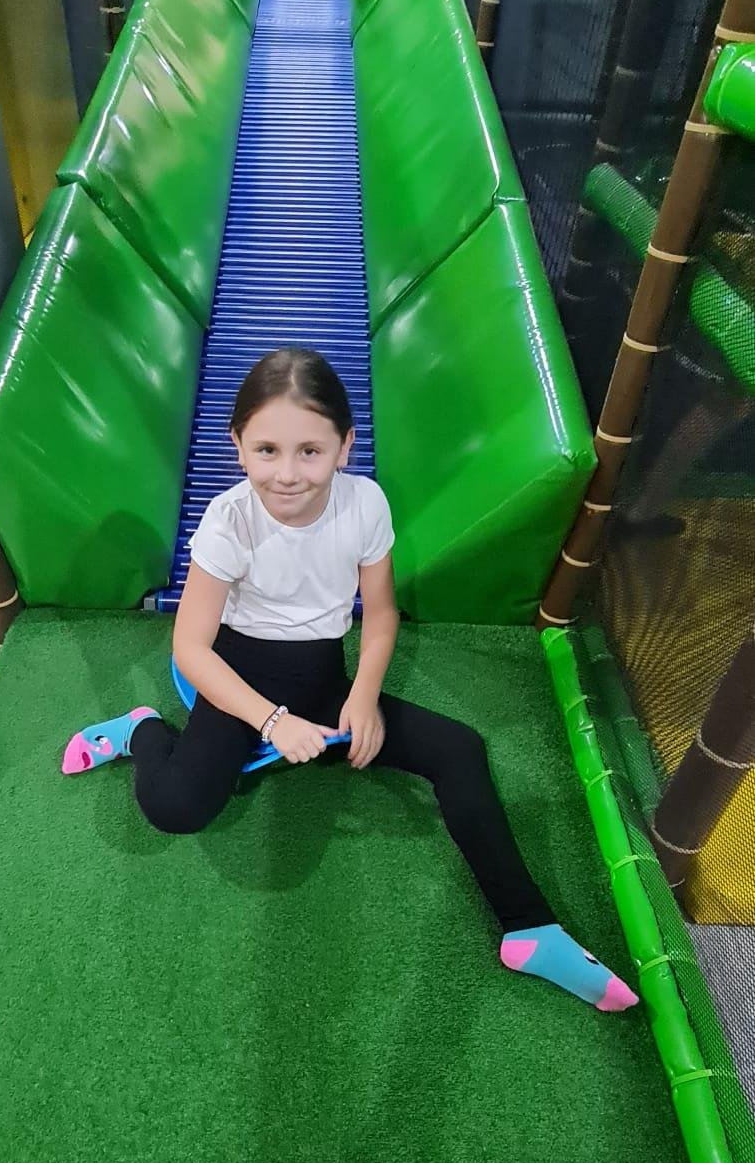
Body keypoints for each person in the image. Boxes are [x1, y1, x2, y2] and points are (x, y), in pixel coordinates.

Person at [62, 350, 638, 1015]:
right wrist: (273, 722)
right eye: (267, 450)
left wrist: (362, 697)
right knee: (176, 808)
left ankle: (529, 928)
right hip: (239, 676)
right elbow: (190, 648)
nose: (287, 473)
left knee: (459, 749)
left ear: (344, 446)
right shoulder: (228, 522)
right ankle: (143, 731)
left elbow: (382, 615)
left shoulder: (364, 504)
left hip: (321, 677)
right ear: (238, 446)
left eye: (309, 451)